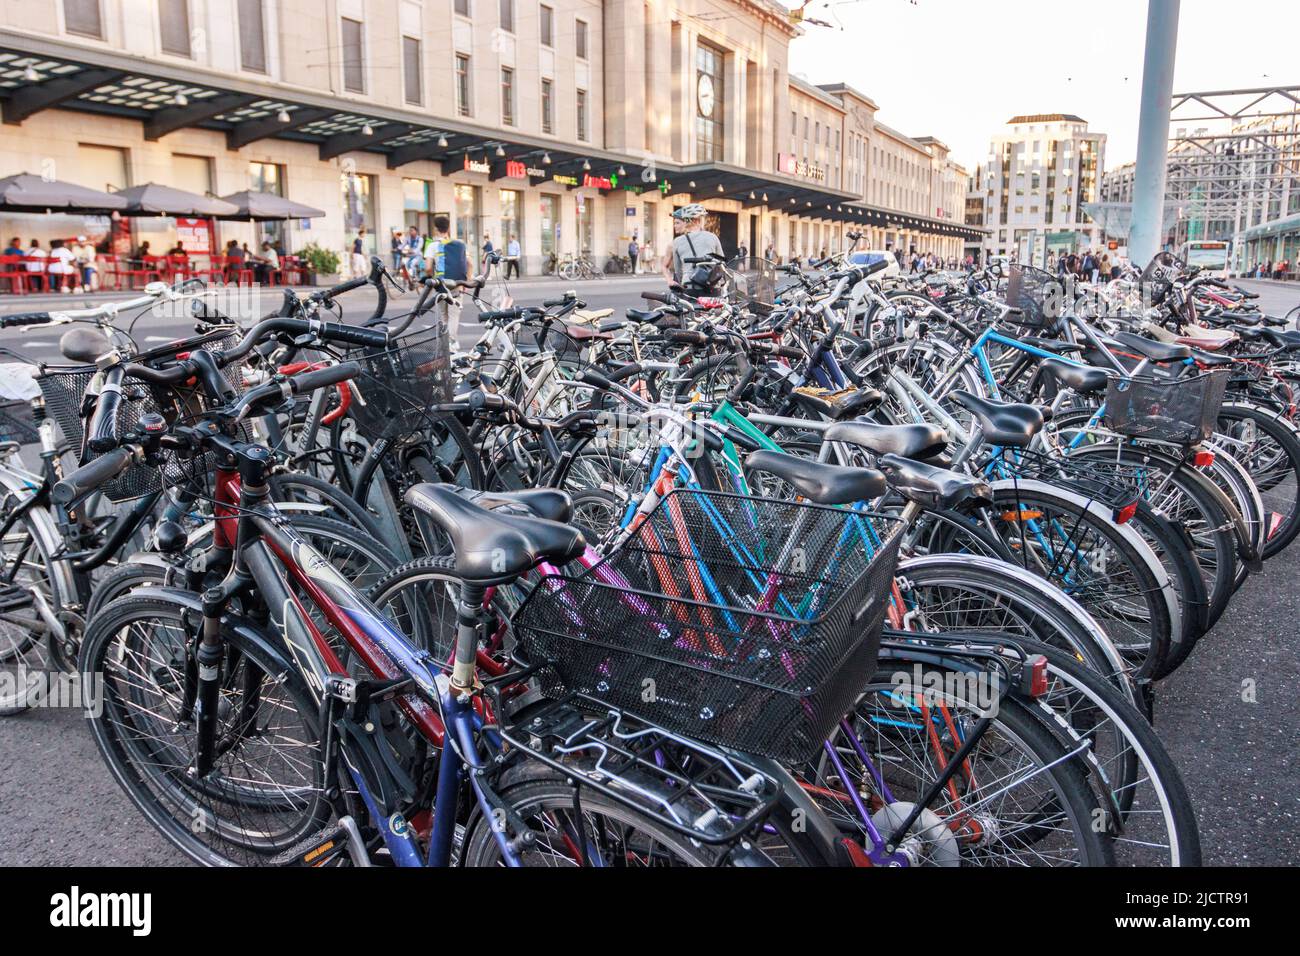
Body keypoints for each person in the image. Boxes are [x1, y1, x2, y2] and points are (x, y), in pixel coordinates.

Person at [669, 204, 724, 285]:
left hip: (689, 285)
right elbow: (721, 263)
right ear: (697, 220)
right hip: (711, 285)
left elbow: (678, 271)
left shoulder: (677, 241)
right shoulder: (712, 237)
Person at [433, 215, 468, 341]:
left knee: (443, 315)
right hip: (456, 283)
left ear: (436, 229)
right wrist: (465, 283)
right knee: (454, 315)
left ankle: (443, 344)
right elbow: (470, 263)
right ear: (448, 228)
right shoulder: (459, 244)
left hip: (440, 284)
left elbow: (426, 267)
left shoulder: (433, 245)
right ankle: (452, 343)